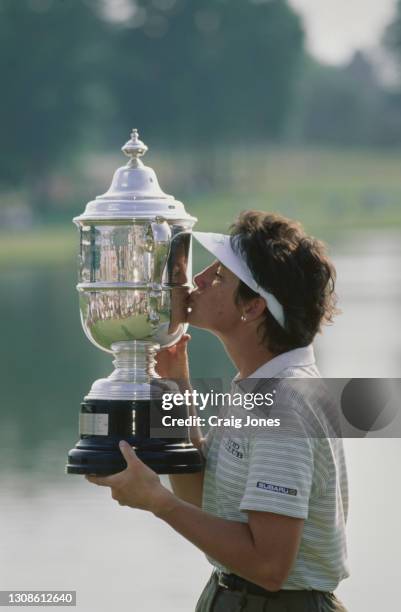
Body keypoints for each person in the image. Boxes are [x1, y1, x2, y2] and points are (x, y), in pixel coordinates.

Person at [87, 211, 350, 612]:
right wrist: (176, 392)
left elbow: (268, 566)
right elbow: (201, 498)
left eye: (220, 277)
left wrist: (157, 502)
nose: (199, 280)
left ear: (254, 308)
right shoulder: (259, 386)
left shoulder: (284, 402)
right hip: (234, 596)